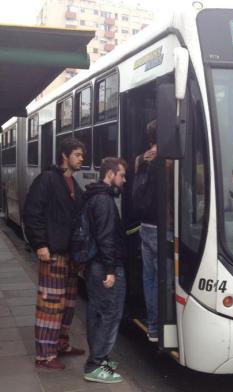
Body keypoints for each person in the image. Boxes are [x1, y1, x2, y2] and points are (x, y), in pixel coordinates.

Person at [23, 137, 86, 370]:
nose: (82, 159)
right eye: (78, 155)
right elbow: (32, 213)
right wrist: (39, 244)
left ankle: (60, 344)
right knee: (50, 304)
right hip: (52, 253)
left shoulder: (73, 183)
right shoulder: (47, 180)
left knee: (67, 304)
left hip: (69, 255)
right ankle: (45, 355)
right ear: (65, 156)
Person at [83, 157, 127, 384]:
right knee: (109, 314)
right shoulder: (104, 201)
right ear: (110, 173)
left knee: (99, 312)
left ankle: (101, 359)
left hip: (97, 265)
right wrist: (111, 269)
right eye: (121, 175)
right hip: (106, 266)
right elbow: (106, 238)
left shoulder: (96, 196)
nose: (124, 179)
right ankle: (95, 364)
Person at [133, 119, 159, 342]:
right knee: (163, 279)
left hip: (145, 225)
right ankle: (163, 326)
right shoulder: (167, 158)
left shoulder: (140, 159)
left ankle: (152, 327)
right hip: (163, 227)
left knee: (149, 278)